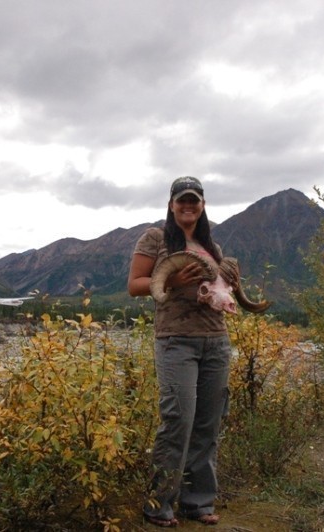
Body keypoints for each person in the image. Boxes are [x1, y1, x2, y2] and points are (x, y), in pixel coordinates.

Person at [127, 176, 238, 527]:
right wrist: (171, 281)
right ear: (172, 204)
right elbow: (135, 285)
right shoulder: (155, 238)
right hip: (176, 340)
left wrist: (230, 282)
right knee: (178, 421)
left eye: (195, 200)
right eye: (182, 200)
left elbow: (218, 288)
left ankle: (198, 502)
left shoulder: (211, 245)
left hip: (216, 340)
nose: (188, 206)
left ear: (202, 204)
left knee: (207, 423)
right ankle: (158, 504)